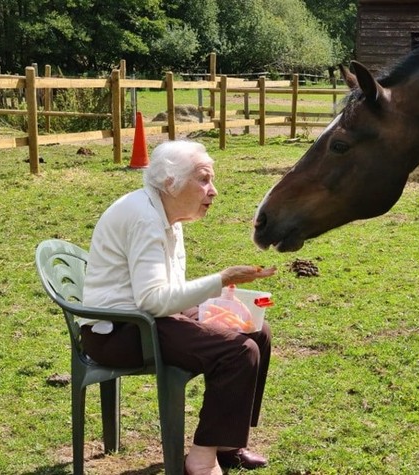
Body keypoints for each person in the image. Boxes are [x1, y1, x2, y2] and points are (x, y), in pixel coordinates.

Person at [80, 139, 277, 475]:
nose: (213, 191)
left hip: (150, 319)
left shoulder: (170, 214)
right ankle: (200, 461)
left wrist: (217, 302)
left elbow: (166, 292)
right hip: (119, 331)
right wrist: (220, 279)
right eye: (203, 179)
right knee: (238, 352)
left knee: (255, 329)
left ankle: (228, 444)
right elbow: (153, 300)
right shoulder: (144, 218)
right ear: (170, 183)